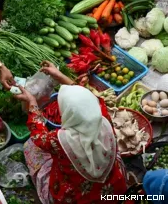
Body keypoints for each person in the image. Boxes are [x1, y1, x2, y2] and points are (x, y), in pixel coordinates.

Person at [14, 61, 127, 204]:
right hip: (114, 189)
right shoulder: (103, 116)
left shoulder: (61, 141)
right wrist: (61, 77)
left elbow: (38, 137)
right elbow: (88, 98)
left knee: (30, 146)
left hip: (76, 197)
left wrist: (32, 102)